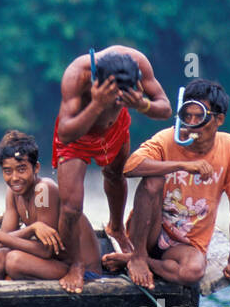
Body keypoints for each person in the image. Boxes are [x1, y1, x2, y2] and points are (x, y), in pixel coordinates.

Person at [104, 78, 230, 291]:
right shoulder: (168, 138)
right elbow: (130, 167)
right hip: (148, 231)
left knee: (192, 272)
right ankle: (138, 257)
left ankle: (133, 260)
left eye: (199, 118)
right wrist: (183, 164)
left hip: (186, 244)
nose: (192, 124)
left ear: (218, 120)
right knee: (154, 178)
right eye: (186, 117)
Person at [52, 46, 170, 255]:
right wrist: (97, 104)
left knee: (115, 175)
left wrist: (142, 105)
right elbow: (65, 133)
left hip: (115, 127)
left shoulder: (138, 63)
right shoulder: (77, 74)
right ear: (97, 79)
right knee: (71, 207)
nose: (117, 100)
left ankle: (116, 229)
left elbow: (165, 109)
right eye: (113, 93)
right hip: (79, 132)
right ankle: (70, 260)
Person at [0, 130, 102, 293]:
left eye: (21, 169)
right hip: (55, 262)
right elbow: (5, 240)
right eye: (8, 171)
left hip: (83, 272)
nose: (14, 178)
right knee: (3, 254)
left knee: (14, 260)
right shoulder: (13, 192)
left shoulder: (42, 191)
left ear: (36, 167)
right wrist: (30, 228)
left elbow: (46, 250)